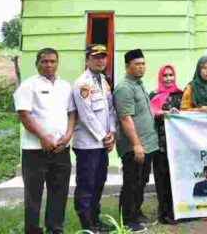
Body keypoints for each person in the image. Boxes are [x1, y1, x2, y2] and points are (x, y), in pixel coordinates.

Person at [14, 48, 75, 234]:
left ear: (57, 63)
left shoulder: (65, 86)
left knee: (59, 191)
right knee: (34, 194)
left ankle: (55, 227)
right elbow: (24, 116)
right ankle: (32, 229)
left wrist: (69, 134)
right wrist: (43, 137)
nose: (48, 65)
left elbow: (72, 112)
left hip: (61, 149)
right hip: (35, 150)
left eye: (52, 61)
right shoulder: (28, 86)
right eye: (44, 61)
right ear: (37, 63)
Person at [70, 45, 117, 233]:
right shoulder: (82, 83)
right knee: (86, 185)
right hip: (88, 144)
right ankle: (87, 225)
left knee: (99, 183)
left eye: (103, 57)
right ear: (87, 59)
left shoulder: (103, 81)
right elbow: (86, 115)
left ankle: (96, 221)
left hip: (102, 143)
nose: (100, 60)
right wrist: (104, 136)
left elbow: (110, 110)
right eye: (96, 57)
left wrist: (112, 132)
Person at [113, 49, 158, 233]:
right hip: (134, 145)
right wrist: (136, 144)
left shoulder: (139, 84)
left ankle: (136, 211)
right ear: (127, 67)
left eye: (143, 64)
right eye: (137, 64)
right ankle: (127, 219)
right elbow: (126, 118)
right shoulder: (124, 87)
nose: (141, 67)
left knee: (142, 180)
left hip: (147, 143)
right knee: (132, 181)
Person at [149, 65, 183, 225]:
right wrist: (165, 113)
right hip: (160, 145)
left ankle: (177, 211)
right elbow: (149, 114)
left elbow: (189, 112)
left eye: (171, 75)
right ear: (160, 77)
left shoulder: (181, 94)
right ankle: (164, 213)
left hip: (178, 145)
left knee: (176, 179)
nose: (169, 78)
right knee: (162, 179)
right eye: (165, 76)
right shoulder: (154, 95)